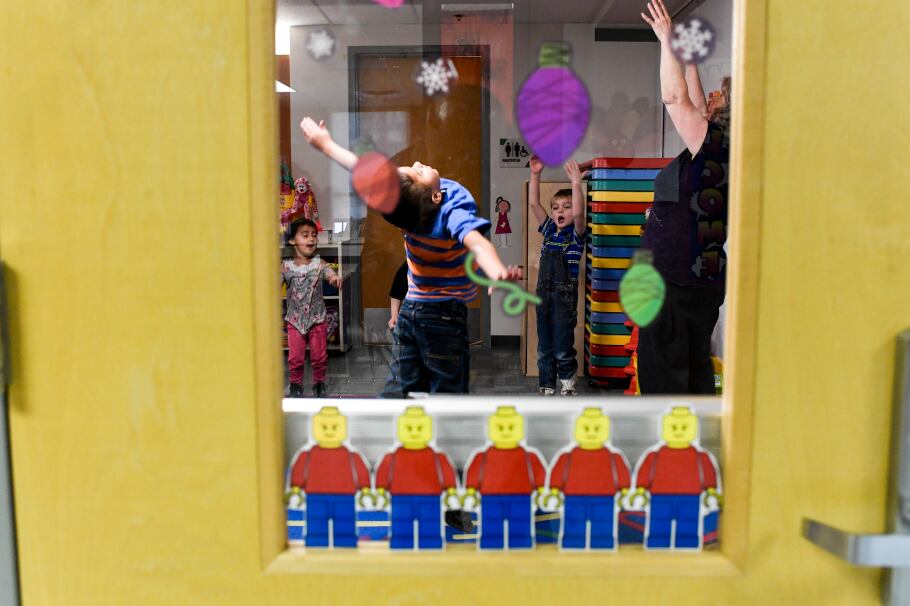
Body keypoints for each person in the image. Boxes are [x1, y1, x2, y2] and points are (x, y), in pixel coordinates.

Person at [300, 116, 521, 395]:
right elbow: (475, 241)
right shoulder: (450, 210)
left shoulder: (407, 211)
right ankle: (446, 434)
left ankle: (392, 432)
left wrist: (326, 145)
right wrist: (495, 269)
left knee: (400, 386)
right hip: (443, 316)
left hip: (410, 311)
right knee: (449, 392)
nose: (418, 164)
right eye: (417, 173)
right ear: (436, 197)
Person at [638, 0, 731, 394]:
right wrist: (689, 59)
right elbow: (692, 104)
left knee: (668, 381)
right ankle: (693, 451)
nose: (712, 94)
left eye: (721, 94)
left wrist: (666, 40)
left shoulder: (714, 146)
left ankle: (672, 450)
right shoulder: (722, 149)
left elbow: (678, 102)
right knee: (693, 374)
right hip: (698, 280)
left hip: (676, 284)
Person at [528, 156, 586, 396]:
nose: (560, 211)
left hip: (564, 298)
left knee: (563, 342)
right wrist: (535, 174)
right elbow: (534, 204)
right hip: (543, 295)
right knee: (545, 343)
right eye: (555, 207)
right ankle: (546, 384)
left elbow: (581, 213)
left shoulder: (576, 234)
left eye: (566, 206)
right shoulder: (550, 230)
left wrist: (575, 184)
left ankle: (567, 384)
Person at [282, 218, 342, 398]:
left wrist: (334, 278)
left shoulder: (319, 263)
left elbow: (329, 272)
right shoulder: (286, 267)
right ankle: (295, 386)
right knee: (295, 358)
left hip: (317, 319)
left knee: (319, 357)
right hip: (295, 320)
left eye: (314, 235)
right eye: (305, 235)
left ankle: (319, 384)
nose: (311, 239)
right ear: (292, 240)